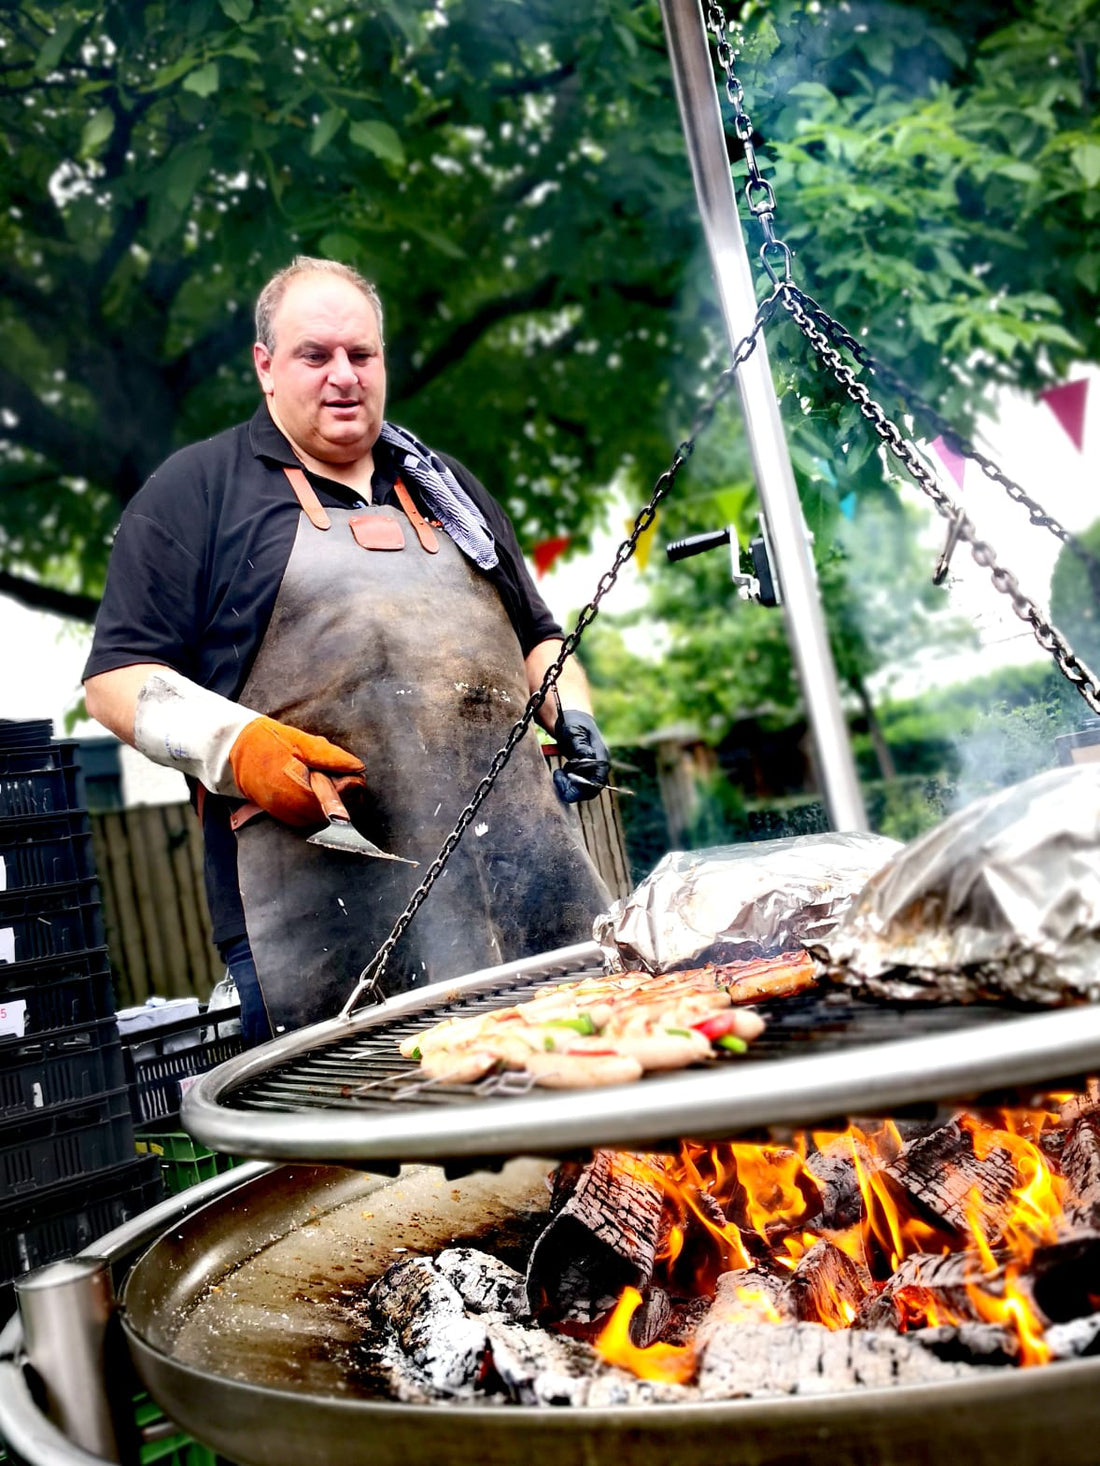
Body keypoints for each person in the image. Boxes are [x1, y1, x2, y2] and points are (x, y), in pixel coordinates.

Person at [84, 256, 612, 1046]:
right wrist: (239, 745)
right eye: (315, 356)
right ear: (266, 367)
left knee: (579, 1141)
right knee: (378, 1168)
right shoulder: (195, 493)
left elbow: (539, 637)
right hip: (318, 921)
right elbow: (115, 681)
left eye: (360, 356)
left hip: (521, 895)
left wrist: (573, 712)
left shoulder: (444, 487)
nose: (343, 377)